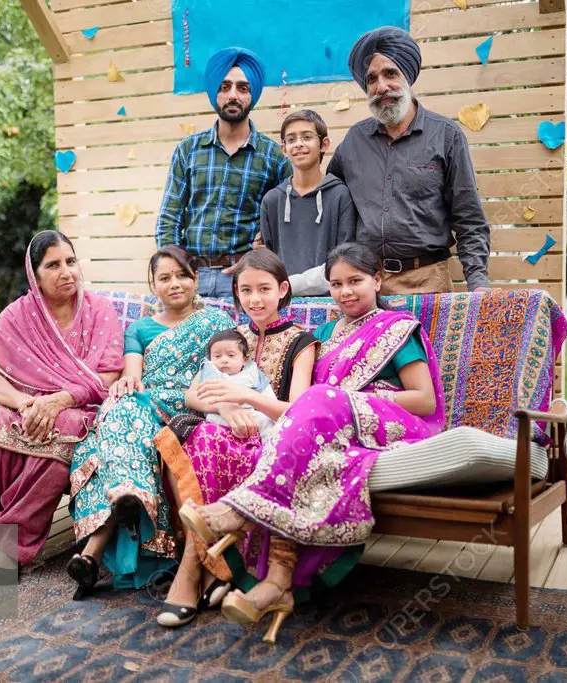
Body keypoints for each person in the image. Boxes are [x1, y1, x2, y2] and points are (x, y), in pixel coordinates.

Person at [178, 243, 447, 642]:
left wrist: (351, 399)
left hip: (392, 424)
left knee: (313, 403)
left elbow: (424, 400)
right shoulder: (322, 334)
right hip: (333, 429)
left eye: (355, 281)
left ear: (378, 279)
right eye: (336, 284)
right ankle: (277, 582)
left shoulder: (396, 329)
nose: (345, 291)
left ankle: (237, 513)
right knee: (295, 449)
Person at [0, 231, 124, 584]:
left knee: (67, 428)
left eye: (71, 262)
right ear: (35, 273)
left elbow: (107, 377)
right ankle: (4, 535)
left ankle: (5, 545)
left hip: (79, 406)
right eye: (53, 265)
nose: (67, 272)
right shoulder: (18, 314)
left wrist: (57, 401)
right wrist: (25, 402)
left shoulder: (98, 309)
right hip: (25, 405)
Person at [153, 248, 317, 628]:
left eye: (264, 289)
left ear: (283, 289)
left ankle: (192, 571)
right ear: (236, 293)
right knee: (198, 435)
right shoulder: (229, 336)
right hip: (221, 430)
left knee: (208, 441)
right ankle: (210, 570)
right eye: (246, 290)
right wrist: (224, 409)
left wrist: (246, 398)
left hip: (270, 440)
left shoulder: (301, 341)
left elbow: (298, 409)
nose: (255, 299)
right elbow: (192, 395)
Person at [67, 246, 233, 595]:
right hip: (147, 403)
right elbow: (133, 374)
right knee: (114, 418)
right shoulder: (139, 328)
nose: (174, 284)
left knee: (111, 431)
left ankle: (92, 553)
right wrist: (126, 383)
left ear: (196, 279)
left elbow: (229, 371)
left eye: (182, 275)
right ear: (153, 285)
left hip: (190, 407)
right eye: (164, 278)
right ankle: (126, 502)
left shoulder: (217, 322)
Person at [323, 26, 491, 295]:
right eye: (372, 79)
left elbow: (469, 219)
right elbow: (326, 202)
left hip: (429, 282)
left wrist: (478, 282)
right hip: (367, 286)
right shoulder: (354, 141)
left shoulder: (446, 136)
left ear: (408, 77)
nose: (382, 87)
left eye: (391, 74)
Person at [155, 47, 291, 297]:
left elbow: (287, 221)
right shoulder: (189, 150)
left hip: (247, 279)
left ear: (253, 94)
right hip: (192, 276)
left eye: (243, 88)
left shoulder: (273, 157)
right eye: (225, 86)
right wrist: (175, 268)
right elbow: (169, 217)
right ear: (214, 91)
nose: (233, 95)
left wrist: (260, 255)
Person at [257, 109, 357, 295]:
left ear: (324, 144)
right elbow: (268, 259)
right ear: (284, 149)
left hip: (332, 299)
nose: (299, 144)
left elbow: (345, 258)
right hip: (282, 300)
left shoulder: (340, 196)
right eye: (291, 139)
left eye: (307, 137)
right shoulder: (272, 201)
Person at [197, 330, 276, 432]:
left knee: (265, 420)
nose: (224, 360)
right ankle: (235, 436)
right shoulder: (210, 371)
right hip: (219, 414)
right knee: (210, 420)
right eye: (217, 356)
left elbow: (269, 396)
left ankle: (269, 445)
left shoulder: (252, 372)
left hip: (247, 414)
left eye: (231, 355)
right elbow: (201, 396)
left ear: (245, 359)